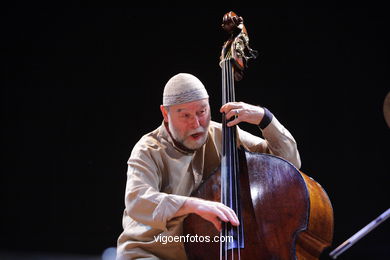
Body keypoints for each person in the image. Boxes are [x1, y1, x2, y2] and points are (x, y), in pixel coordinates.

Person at [116, 73, 301, 260]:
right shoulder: (147, 150)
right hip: (149, 253)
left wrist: (265, 119)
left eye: (202, 112)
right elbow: (137, 201)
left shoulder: (223, 135)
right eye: (186, 115)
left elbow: (288, 166)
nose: (196, 124)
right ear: (166, 113)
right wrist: (194, 205)